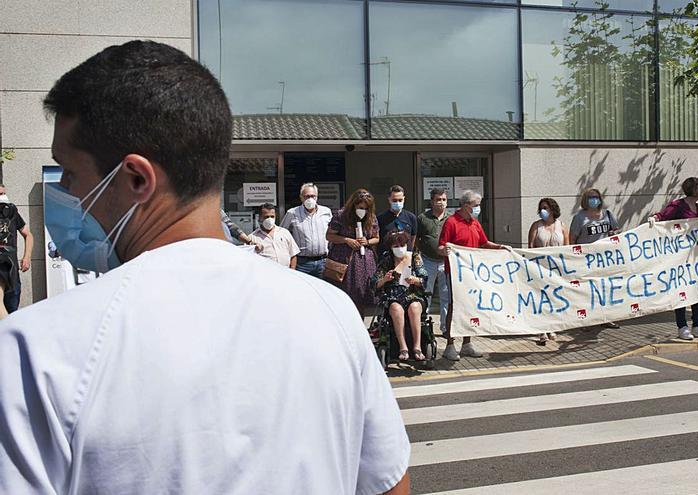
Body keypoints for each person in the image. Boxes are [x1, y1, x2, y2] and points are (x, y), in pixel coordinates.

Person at [0, 41, 410, 494]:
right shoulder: (333, 314)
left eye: (70, 174)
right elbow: (389, 484)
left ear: (136, 179)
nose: (65, 194)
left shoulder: (33, 352)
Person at [438, 189, 508, 361]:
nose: (478, 208)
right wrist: (444, 250)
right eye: (476, 205)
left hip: (473, 273)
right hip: (456, 274)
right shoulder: (451, 222)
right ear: (466, 205)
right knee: (454, 307)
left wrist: (500, 247)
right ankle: (449, 345)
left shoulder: (475, 223)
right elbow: (440, 246)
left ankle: (467, 344)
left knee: (470, 307)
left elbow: (484, 242)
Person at [652, 177, 698, 341]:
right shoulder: (677, 205)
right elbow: (662, 217)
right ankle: (682, 326)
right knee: (682, 291)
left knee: (697, 291)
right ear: (695, 189)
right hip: (679, 256)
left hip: (695, 256)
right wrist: (654, 218)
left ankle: (697, 324)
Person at [569, 189, 622, 330]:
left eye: (596, 197)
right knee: (587, 291)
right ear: (585, 200)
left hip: (604, 260)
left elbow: (615, 232)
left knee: (605, 289)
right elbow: (572, 239)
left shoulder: (607, 214)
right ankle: (586, 320)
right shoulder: (579, 217)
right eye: (591, 197)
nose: (594, 199)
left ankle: (606, 318)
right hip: (586, 260)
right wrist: (574, 257)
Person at [372, 230, 429, 362]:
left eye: (402, 245)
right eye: (396, 246)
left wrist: (416, 280)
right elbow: (374, 283)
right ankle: (403, 348)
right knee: (396, 309)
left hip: (413, 294)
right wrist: (385, 279)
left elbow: (424, 279)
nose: (400, 248)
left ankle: (417, 347)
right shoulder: (387, 260)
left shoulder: (414, 257)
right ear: (391, 247)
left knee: (414, 307)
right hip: (394, 296)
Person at [327, 189, 381, 317]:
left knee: (361, 295)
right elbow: (329, 236)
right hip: (344, 260)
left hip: (363, 262)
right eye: (360, 207)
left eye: (366, 208)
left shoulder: (371, 217)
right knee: (344, 294)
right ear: (353, 205)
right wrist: (346, 240)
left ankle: (359, 321)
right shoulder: (341, 216)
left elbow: (377, 238)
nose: (363, 210)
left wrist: (367, 241)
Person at [529, 197, 570, 342]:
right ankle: (542, 330)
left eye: (545, 208)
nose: (542, 211)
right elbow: (531, 247)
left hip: (556, 268)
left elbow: (567, 247)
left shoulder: (562, 226)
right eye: (541, 208)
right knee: (541, 298)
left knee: (554, 297)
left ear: (552, 209)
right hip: (540, 268)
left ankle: (552, 326)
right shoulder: (536, 226)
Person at [416, 188, 450, 337]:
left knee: (446, 296)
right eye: (438, 200)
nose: (441, 202)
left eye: (444, 200)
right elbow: (416, 239)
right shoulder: (423, 218)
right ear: (432, 201)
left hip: (446, 262)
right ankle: (423, 327)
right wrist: (418, 256)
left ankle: (446, 328)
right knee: (426, 294)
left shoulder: (451, 219)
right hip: (427, 261)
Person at [280, 182, 332, 277]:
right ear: (301, 197)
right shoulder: (292, 213)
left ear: (317, 197)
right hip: (301, 263)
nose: (310, 199)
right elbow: (282, 234)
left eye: (312, 196)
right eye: (307, 196)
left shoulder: (326, 212)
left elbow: (332, 232)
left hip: (323, 262)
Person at [0, 186, 34, 316]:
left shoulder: (11, 213)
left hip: (11, 267)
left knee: (12, 308)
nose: (3, 196)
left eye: (4, 193)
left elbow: (28, 235)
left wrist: (27, 257)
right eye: (0, 194)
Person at [251, 203, 299, 269]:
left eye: (272, 216)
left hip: (285, 272)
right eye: (266, 217)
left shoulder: (284, 233)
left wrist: (292, 270)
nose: (270, 219)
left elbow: (293, 255)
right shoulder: (252, 237)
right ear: (259, 218)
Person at [377, 185, 418, 258]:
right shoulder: (380, 218)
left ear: (404, 199)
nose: (397, 203)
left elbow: (413, 238)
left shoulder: (411, 217)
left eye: (400, 200)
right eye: (394, 200)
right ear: (389, 200)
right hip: (387, 258)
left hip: (405, 258)